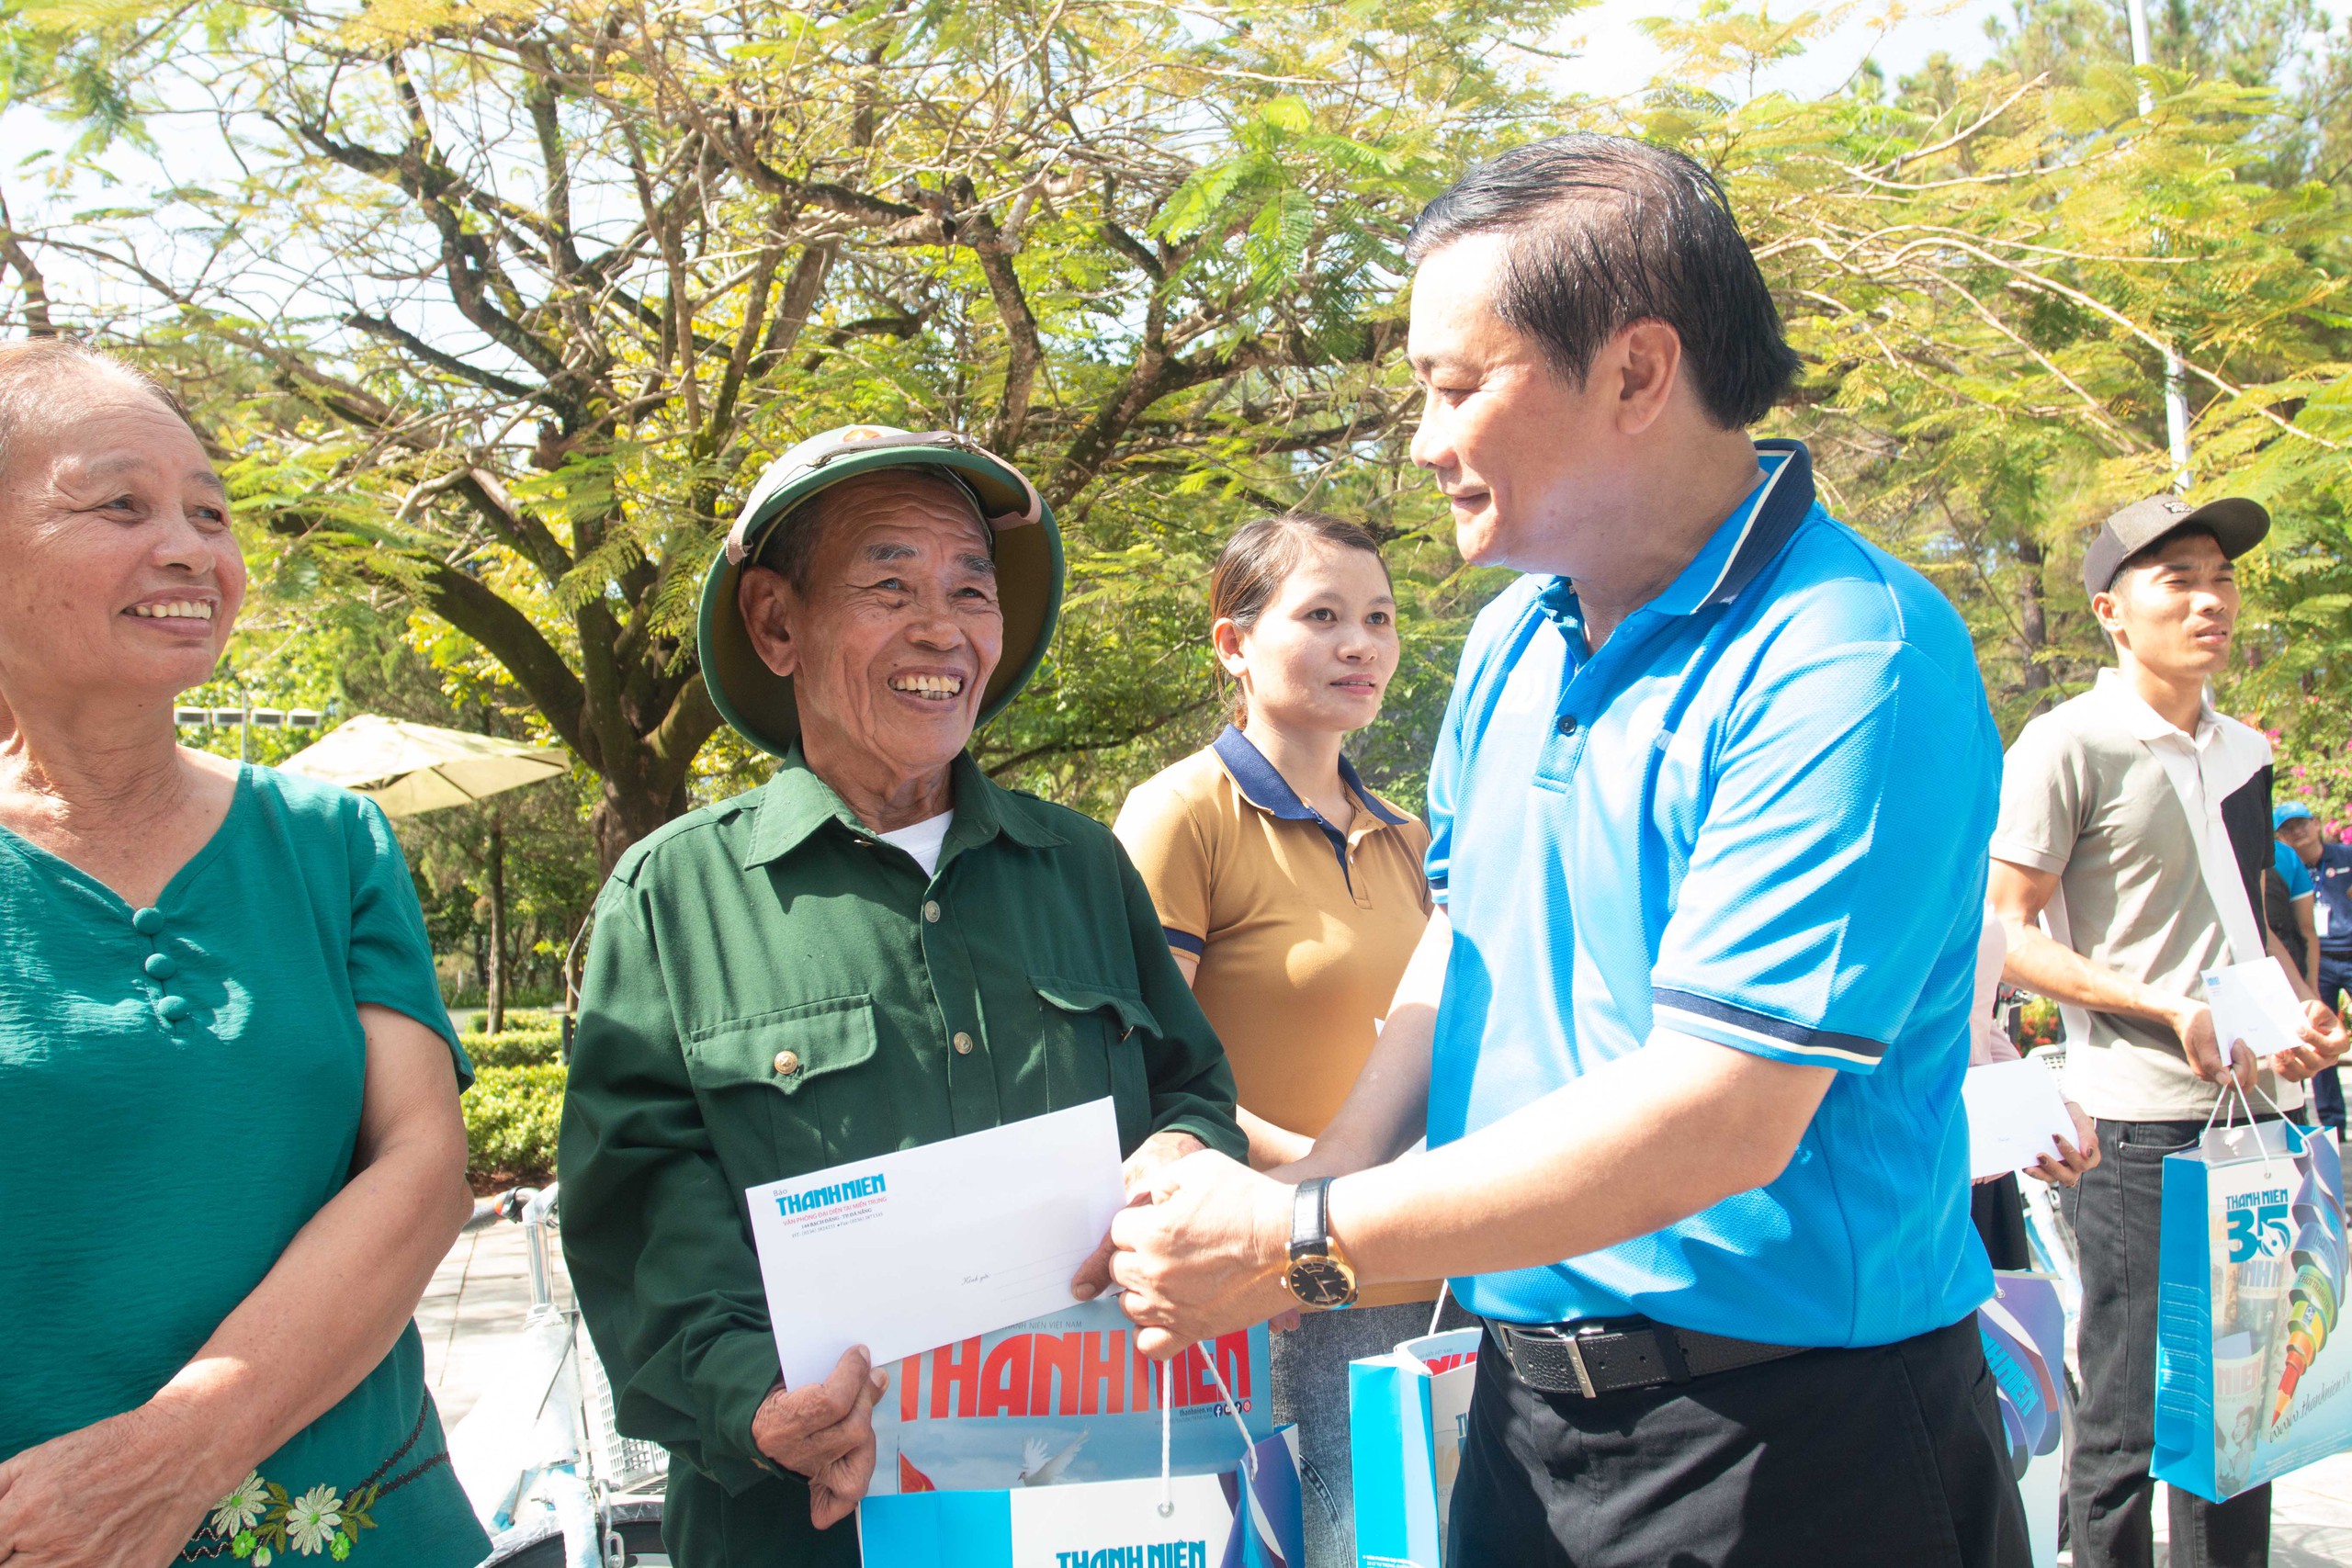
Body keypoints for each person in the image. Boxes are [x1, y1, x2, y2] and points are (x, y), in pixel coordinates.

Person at [1081, 134, 2030, 1566]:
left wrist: (1299, 1239)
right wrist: (1305, 1195)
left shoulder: (1850, 653)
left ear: (1638, 373)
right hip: (1526, 1419)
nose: (1422, 441)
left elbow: (1724, 1109)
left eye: (1458, 387)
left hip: (1793, 1442)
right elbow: (1462, 940)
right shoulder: (1519, 634)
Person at [559, 425, 1247, 1568]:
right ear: (777, 624)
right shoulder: (675, 895)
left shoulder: (1078, 866)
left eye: (970, 590)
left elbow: (1192, 1092)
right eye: (889, 585)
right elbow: (640, 1220)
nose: (943, 628)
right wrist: (755, 1401)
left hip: (1098, 1500)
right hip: (809, 1521)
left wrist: (1181, 1153)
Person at [0, 338, 487, 1566]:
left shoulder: (330, 839)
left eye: (210, 512)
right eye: (121, 502)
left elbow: (423, 1164)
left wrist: (176, 1453)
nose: (191, 548)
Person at [1988, 496, 2350, 1568]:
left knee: (2246, 1415)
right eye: (2177, 579)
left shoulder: (2242, 750)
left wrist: (2303, 1013)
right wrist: (2167, 1009)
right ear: (2110, 610)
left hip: (2269, 1119)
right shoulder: (2067, 742)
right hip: (2141, 1133)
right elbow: (2001, 935)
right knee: (2133, 1417)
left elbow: (2248, 918)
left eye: (2223, 579)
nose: (2210, 601)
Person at [1113, 513, 1450, 1567]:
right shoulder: (1179, 815)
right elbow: (1144, 1067)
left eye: (1379, 618)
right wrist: (1299, 1197)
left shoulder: (1413, 838)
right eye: (1322, 616)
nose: (1362, 645)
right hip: (1273, 1299)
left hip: (1435, 1284)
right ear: (1232, 644)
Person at [1966, 904, 2098, 1274]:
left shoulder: (1960, 850)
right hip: (1897, 1185)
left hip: (1983, 1170)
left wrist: (2048, 1111)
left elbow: (1977, 1022)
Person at [2278, 801, 2349, 1133]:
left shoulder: (2345, 857)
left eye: (2301, 823)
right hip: (2314, 962)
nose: (2296, 831)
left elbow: (2308, 929)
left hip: (2344, 950)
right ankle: (2332, 1121)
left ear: (2317, 824)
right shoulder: (2280, 862)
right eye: (2287, 827)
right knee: (2316, 1038)